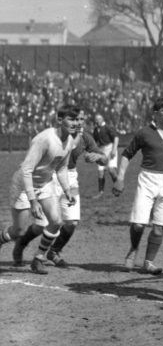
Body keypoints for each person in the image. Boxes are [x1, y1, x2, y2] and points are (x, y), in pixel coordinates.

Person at [12, 109, 107, 269]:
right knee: (42, 225)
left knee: (72, 222)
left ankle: (53, 252)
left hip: (69, 177)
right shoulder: (56, 136)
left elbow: (104, 160)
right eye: (75, 119)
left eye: (82, 119)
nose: (79, 123)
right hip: (49, 176)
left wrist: (99, 157)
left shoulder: (85, 138)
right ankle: (22, 243)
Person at [1, 104, 80, 274]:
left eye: (76, 119)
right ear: (60, 120)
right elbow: (26, 170)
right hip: (23, 184)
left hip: (44, 184)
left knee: (56, 221)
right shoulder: (44, 139)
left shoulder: (70, 140)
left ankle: (38, 258)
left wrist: (67, 190)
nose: (75, 123)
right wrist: (33, 200)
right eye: (71, 119)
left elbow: (61, 168)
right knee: (19, 231)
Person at [113, 97, 163, 275]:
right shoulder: (144, 133)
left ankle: (148, 262)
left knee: (159, 226)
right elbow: (126, 154)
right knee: (139, 224)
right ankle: (133, 249)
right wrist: (120, 177)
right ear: (155, 113)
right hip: (147, 179)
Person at [91, 113, 119, 197]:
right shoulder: (96, 130)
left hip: (110, 149)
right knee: (100, 172)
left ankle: (118, 187)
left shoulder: (107, 127)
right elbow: (95, 142)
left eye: (98, 119)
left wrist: (114, 149)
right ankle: (100, 193)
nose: (97, 121)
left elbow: (116, 138)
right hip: (101, 151)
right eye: (96, 119)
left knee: (111, 171)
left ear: (102, 119)